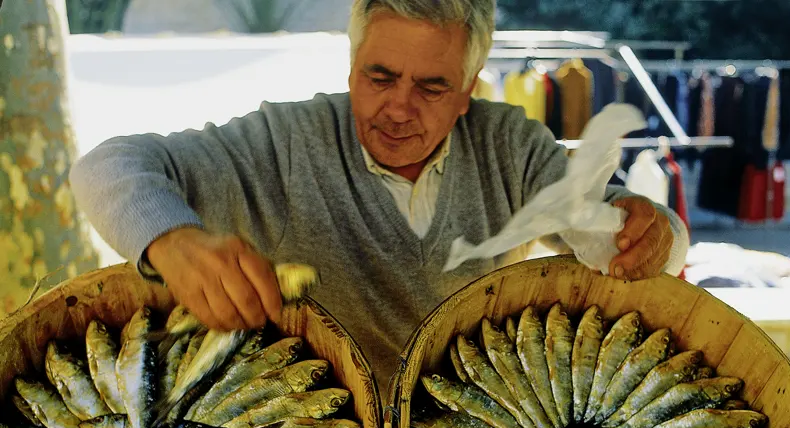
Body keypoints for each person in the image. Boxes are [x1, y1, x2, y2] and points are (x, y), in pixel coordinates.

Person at [70, 0, 688, 396]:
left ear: (469, 89)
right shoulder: (283, 141)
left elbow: (615, 234)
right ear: (350, 67)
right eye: (380, 77)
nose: (398, 108)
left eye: (432, 87)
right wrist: (172, 241)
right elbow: (109, 165)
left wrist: (654, 230)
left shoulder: (512, 148)